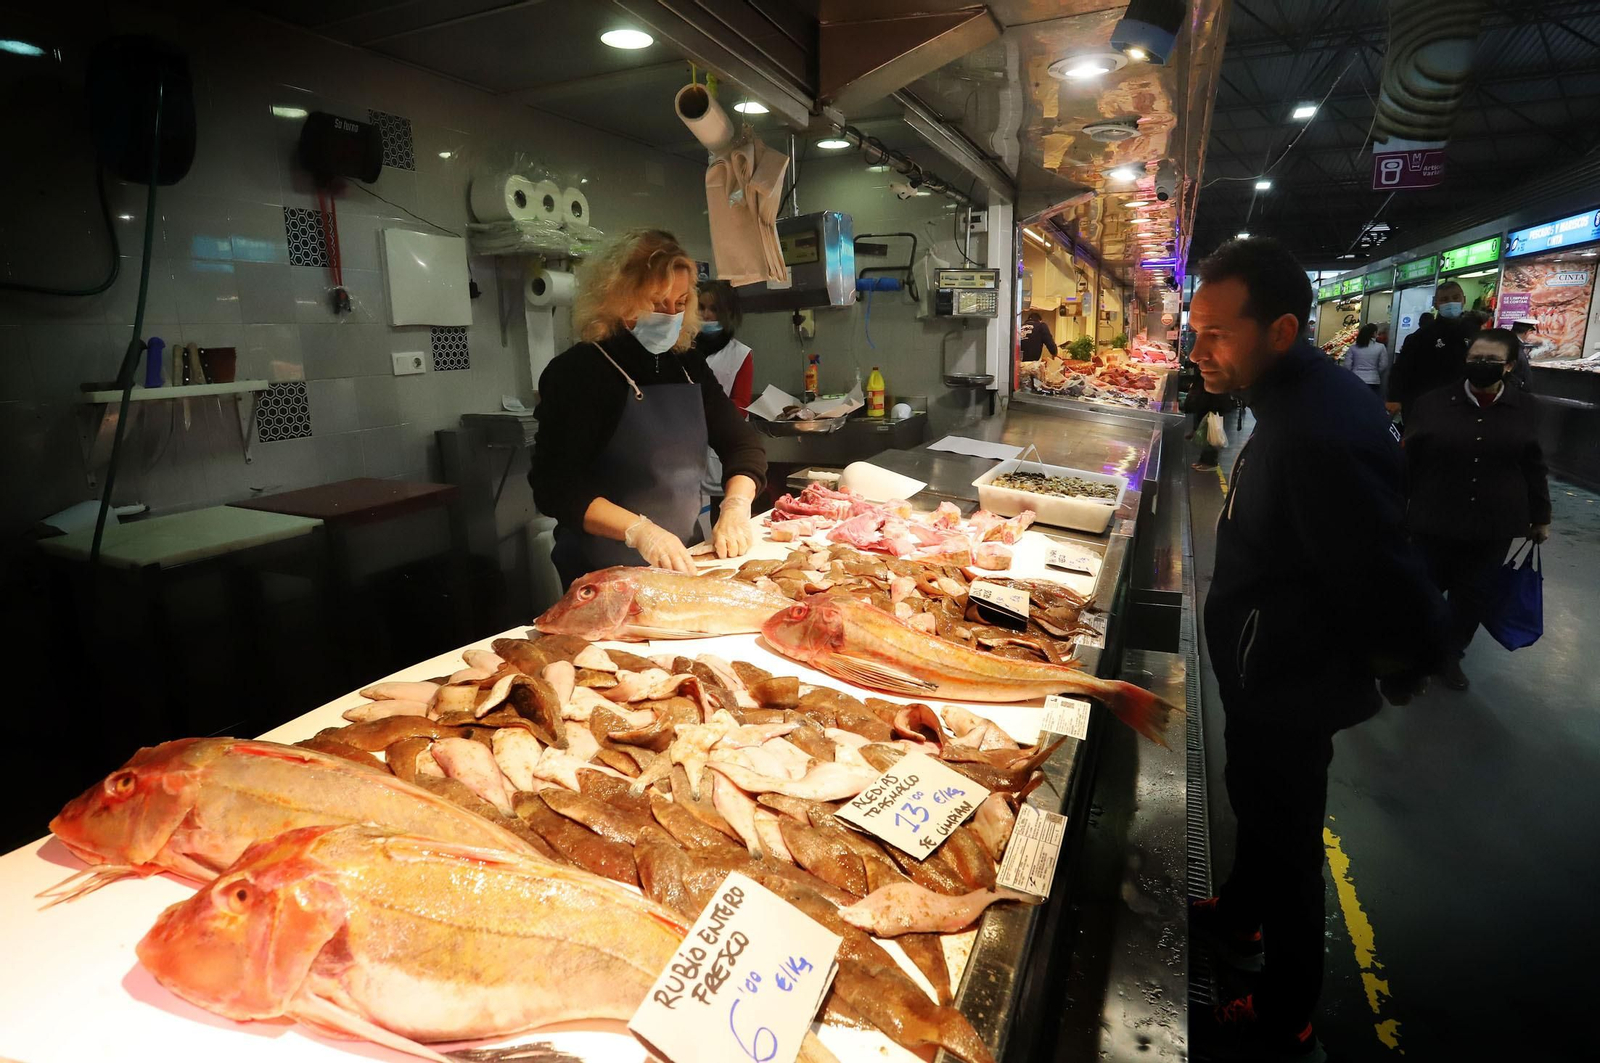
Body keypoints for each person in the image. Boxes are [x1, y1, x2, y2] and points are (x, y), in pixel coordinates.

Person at [1187, 238, 1447, 1061]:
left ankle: (1283, 1011)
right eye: (1195, 331)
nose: (1199, 350)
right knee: (1257, 802)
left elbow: (1377, 563)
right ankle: (1237, 913)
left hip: (1291, 678)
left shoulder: (1320, 430)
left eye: (1218, 334)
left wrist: (1412, 655)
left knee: (1289, 835)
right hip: (1270, 665)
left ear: (1284, 329)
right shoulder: (1295, 397)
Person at [531, 229, 767, 587]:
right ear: (619, 297)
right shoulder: (578, 371)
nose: (671, 315)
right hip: (601, 573)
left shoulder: (687, 363)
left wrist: (736, 504)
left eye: (680, 302)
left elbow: (742, 444)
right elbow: (556, 487)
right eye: (658, 303)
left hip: (684, 560)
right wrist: (640, 531)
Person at [1403, 328, 1551, 691]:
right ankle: (1418, 656)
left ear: (1510, 366)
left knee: (1472, 595)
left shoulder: (1526, 407)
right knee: (1424, 591)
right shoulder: (1432, 403)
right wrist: (1395, 507)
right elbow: (1409, 462)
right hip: (1433, 515)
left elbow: (1533, 464)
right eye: (1475, 359)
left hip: (1494, 520)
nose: (1481, 365)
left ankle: (1450, 656)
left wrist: (1541, 516)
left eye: (1491, 360)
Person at [690, 279, 754, 540]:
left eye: (713, 309)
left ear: (727, 313)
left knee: (720, 521)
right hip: (684, 449)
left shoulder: (740, 354)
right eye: (701, 308)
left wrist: (706, 419)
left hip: (717, 447)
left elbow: (741, 405)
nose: (706, 315)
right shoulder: (682, 350)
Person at [1386, 281, 1474, 420]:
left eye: (1456, 298)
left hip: (1465, 406)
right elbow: (1401, 369)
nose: (1451, 303)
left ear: (1464, 299)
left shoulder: (1474, 333)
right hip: (1427, 405)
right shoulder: (1422, 336)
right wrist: (1394, 398)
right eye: (1444, 300)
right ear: (1436, 303)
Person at [1343, 322, 1390, 395]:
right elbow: (1384, 364)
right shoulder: (1380, 347)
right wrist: (1376, 372)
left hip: (1356, 378)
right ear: (1374, 333)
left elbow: (1347, 365)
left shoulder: (1353, 348)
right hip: (1373, 380)